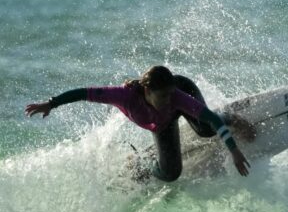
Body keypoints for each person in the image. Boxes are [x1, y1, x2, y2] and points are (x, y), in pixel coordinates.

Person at [25, 65, 255, 181]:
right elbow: (84, 93)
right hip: (162, 124)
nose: (167, 100)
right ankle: (142, 163)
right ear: (147, 91)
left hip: (186, 90)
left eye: (169, 95)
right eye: (162, 96)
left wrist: (233, 150)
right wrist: (51, 104)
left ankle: (232, 116)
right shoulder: (123, 96)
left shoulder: (176, 95)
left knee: (206, 128)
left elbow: (212, 119)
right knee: (171, 174)